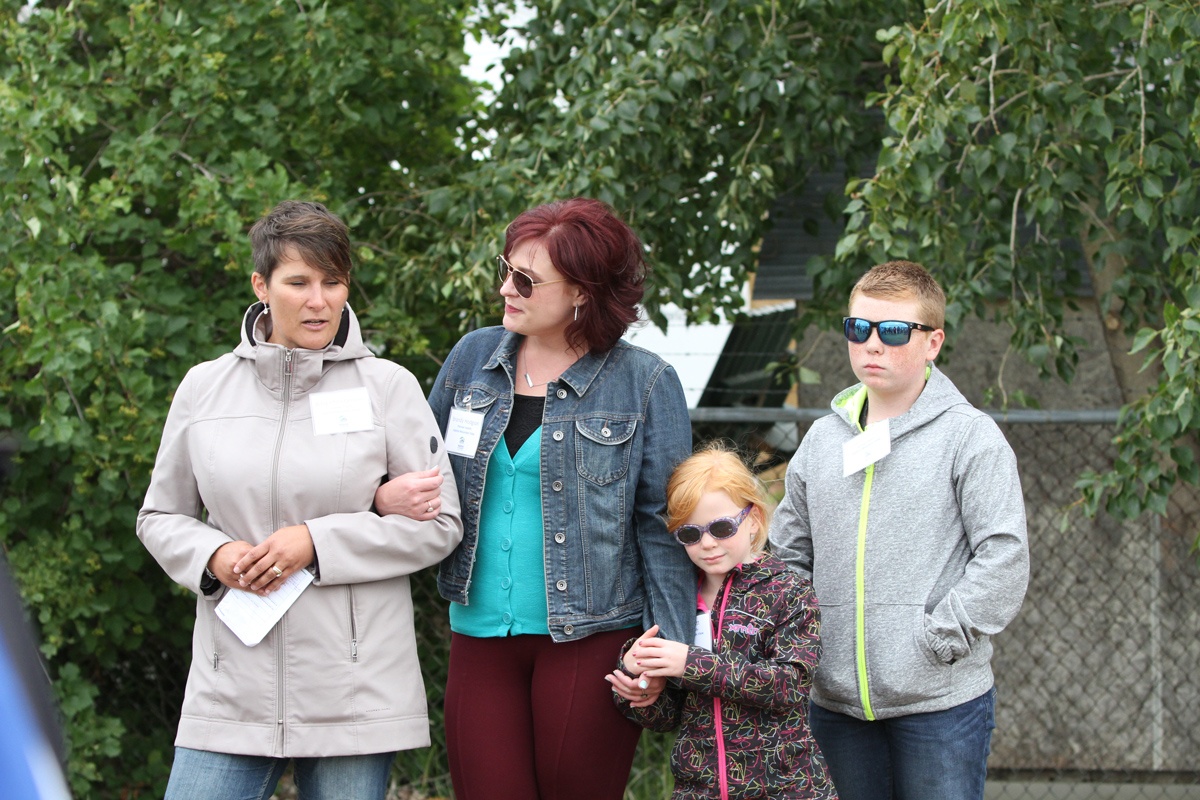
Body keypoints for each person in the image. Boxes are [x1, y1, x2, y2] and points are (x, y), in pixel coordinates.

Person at [136, 200, 463, 800]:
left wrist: (316, 542)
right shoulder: (202, 388)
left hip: (356, 693)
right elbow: (159, 516)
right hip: (228, 685)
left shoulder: (389, 387)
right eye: (299, 283)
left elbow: (440, 525)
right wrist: (213, 558)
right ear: (261, 285)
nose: (320, 301)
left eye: (333, 282)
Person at [374, 197, 695, 800]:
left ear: (581, 292)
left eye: (525, 279)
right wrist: (382, 496)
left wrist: (665, 650)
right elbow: (414, 466)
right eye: (506, 269)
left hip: (593, 640)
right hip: (478, 636)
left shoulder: (645, 381)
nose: (506, 288)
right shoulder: (473, 357)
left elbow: (663, 527)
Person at [768, 260, 1029, 800]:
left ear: (933, 342)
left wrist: (937, 641)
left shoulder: (970, 437)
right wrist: (807, 642)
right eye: (857, 328)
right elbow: (788, 553)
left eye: (892, 331)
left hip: (939, 703)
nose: (871, 345)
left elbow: (1003, 556)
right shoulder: (821, 440)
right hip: (835, 704)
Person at [608, 442, 838, 800]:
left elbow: (788, 685)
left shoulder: (787, 591)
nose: (707, 544)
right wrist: (641, 692)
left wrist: (690, 663)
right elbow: (672, 718)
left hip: (785, 788)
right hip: (699, 790)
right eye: (690, 533)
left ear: (754, 520)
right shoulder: (679, 601)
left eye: (721, 527)